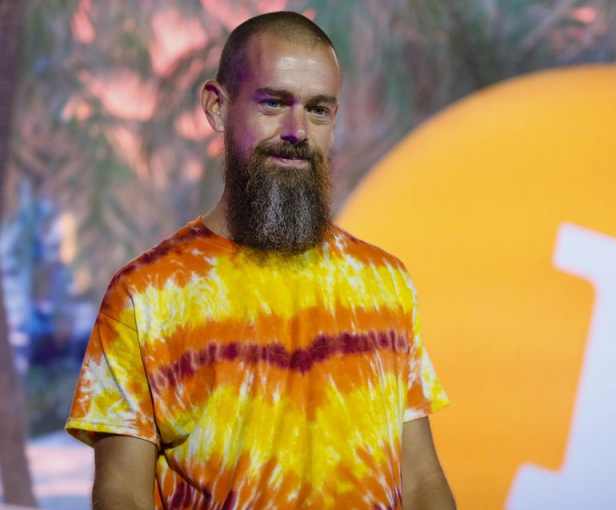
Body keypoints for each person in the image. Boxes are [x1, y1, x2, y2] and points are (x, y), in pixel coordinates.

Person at [65, 11, 455, 510]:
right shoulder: (146, 293)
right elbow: (122, 491)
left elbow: (421, 480)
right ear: (217, 107)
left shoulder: (384, 282)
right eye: (273, 103)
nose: (297, 130)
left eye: (318, 110)